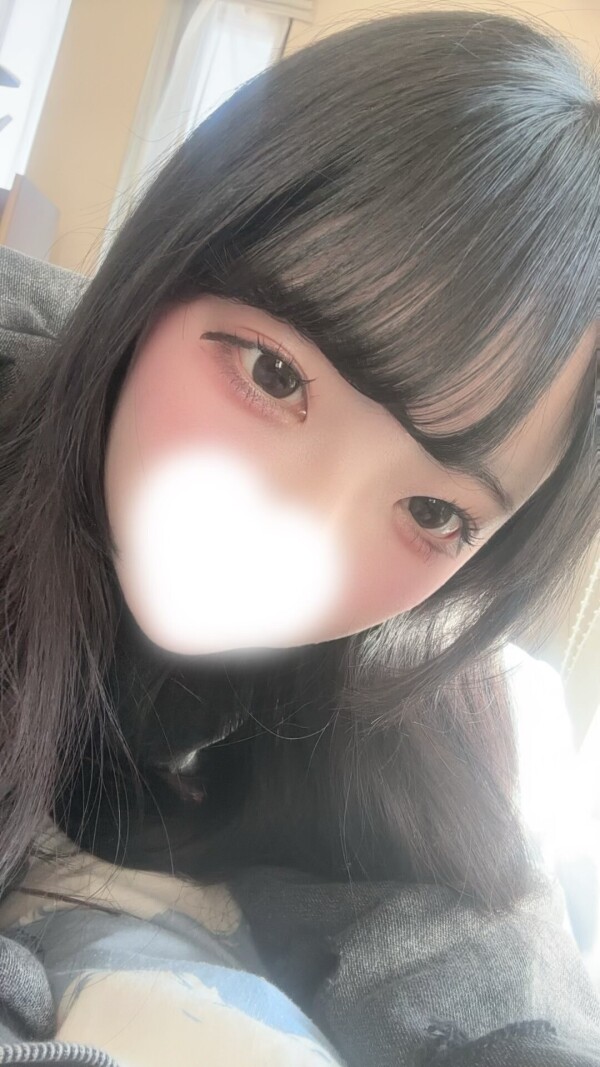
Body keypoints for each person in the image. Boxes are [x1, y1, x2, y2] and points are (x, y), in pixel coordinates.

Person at [0, 7, 599, 1065]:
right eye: (274, 374)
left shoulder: (400, 657)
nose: (301, 541)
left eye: (436, 511)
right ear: (166, 265)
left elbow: (481, 965)